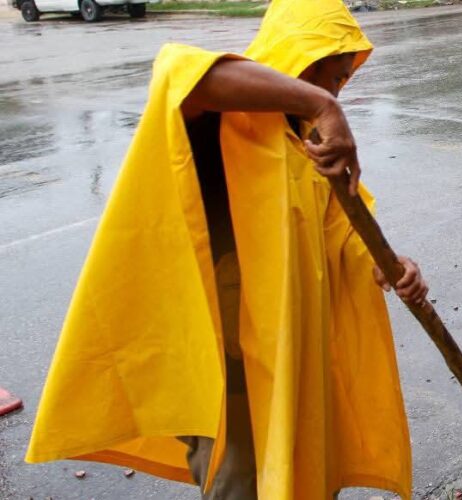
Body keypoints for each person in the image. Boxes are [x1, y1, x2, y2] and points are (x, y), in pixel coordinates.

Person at [25, 0, 426, 498]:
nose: (336, 90)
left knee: (304, 469)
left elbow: (341, 233)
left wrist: (390, 265)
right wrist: (324, 106)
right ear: (298, 57)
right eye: (332, 75)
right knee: (242, 480)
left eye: (343, 81)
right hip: (233, 367)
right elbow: (177, 69)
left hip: (293, 356)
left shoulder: (306, 144)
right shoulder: (223, 120)